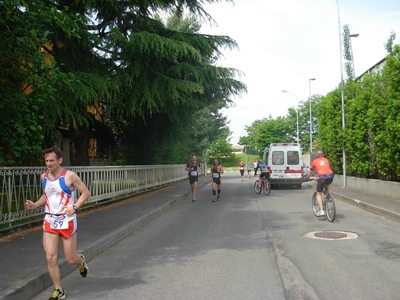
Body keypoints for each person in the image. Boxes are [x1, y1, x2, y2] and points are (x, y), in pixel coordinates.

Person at [25, 146, 90, 300]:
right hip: (50, 221)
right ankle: (58, 290)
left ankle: (79, 261)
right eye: (46, 161)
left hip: (67, 221)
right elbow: (47, 195)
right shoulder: (44, 177)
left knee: (69, 259)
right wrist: (35, 204)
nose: (48, 163)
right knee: (50, 257)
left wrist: (74, 207)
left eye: (51, 160)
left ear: (59, 160)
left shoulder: (70, 176)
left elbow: (85, 193)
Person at [306, 150, 335, 216]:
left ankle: (321, 211)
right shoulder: (326, 160)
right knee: (327, 184)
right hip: (330, 176)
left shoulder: (314, 161)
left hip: (322, 177)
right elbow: (325, 169)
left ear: (316, 155)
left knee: (318, 194)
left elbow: (311, 171)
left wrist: (307, 177)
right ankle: (330, 196)